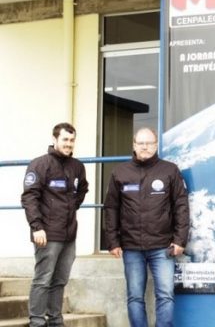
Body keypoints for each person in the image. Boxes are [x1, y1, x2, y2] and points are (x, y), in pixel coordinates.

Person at [104, 127, 189, 327]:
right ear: (134, 145)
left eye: (149, 143)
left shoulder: (170, 170)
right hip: (131, 246)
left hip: (163, 246)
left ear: (156, 145)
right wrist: (113, 241)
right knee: (135, 297)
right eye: (140, 143)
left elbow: (181, 206)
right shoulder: (120, 172)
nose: (145, 147)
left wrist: (180, 239)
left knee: (165, 295)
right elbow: (111, 208)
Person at [21, 122, 89, 327]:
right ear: (54, 139)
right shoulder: (40, 165)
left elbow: (82, 190)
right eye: (65, 139)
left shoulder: (77, 167)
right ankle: (36, 321)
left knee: (60, 280)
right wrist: (37, 227)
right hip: (47, 234)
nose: (69, 144)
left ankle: (56, 321)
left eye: (72, 140)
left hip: (69, 235)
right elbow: (29, 197)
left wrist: (71, 208)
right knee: (43, 279)